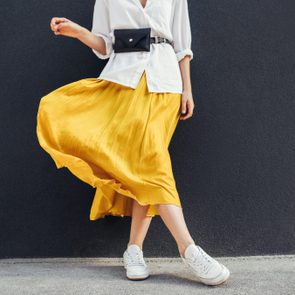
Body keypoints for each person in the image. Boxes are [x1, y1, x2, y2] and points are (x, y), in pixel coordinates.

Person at [36, 0, 230, 286]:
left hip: (165, 84)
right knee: (146, 163)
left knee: (148, 160)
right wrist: (79, 32)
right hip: (122, 81)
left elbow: (182, 43)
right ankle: (178, 248)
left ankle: (144, 250)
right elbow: (104, 46)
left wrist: (187, 88)